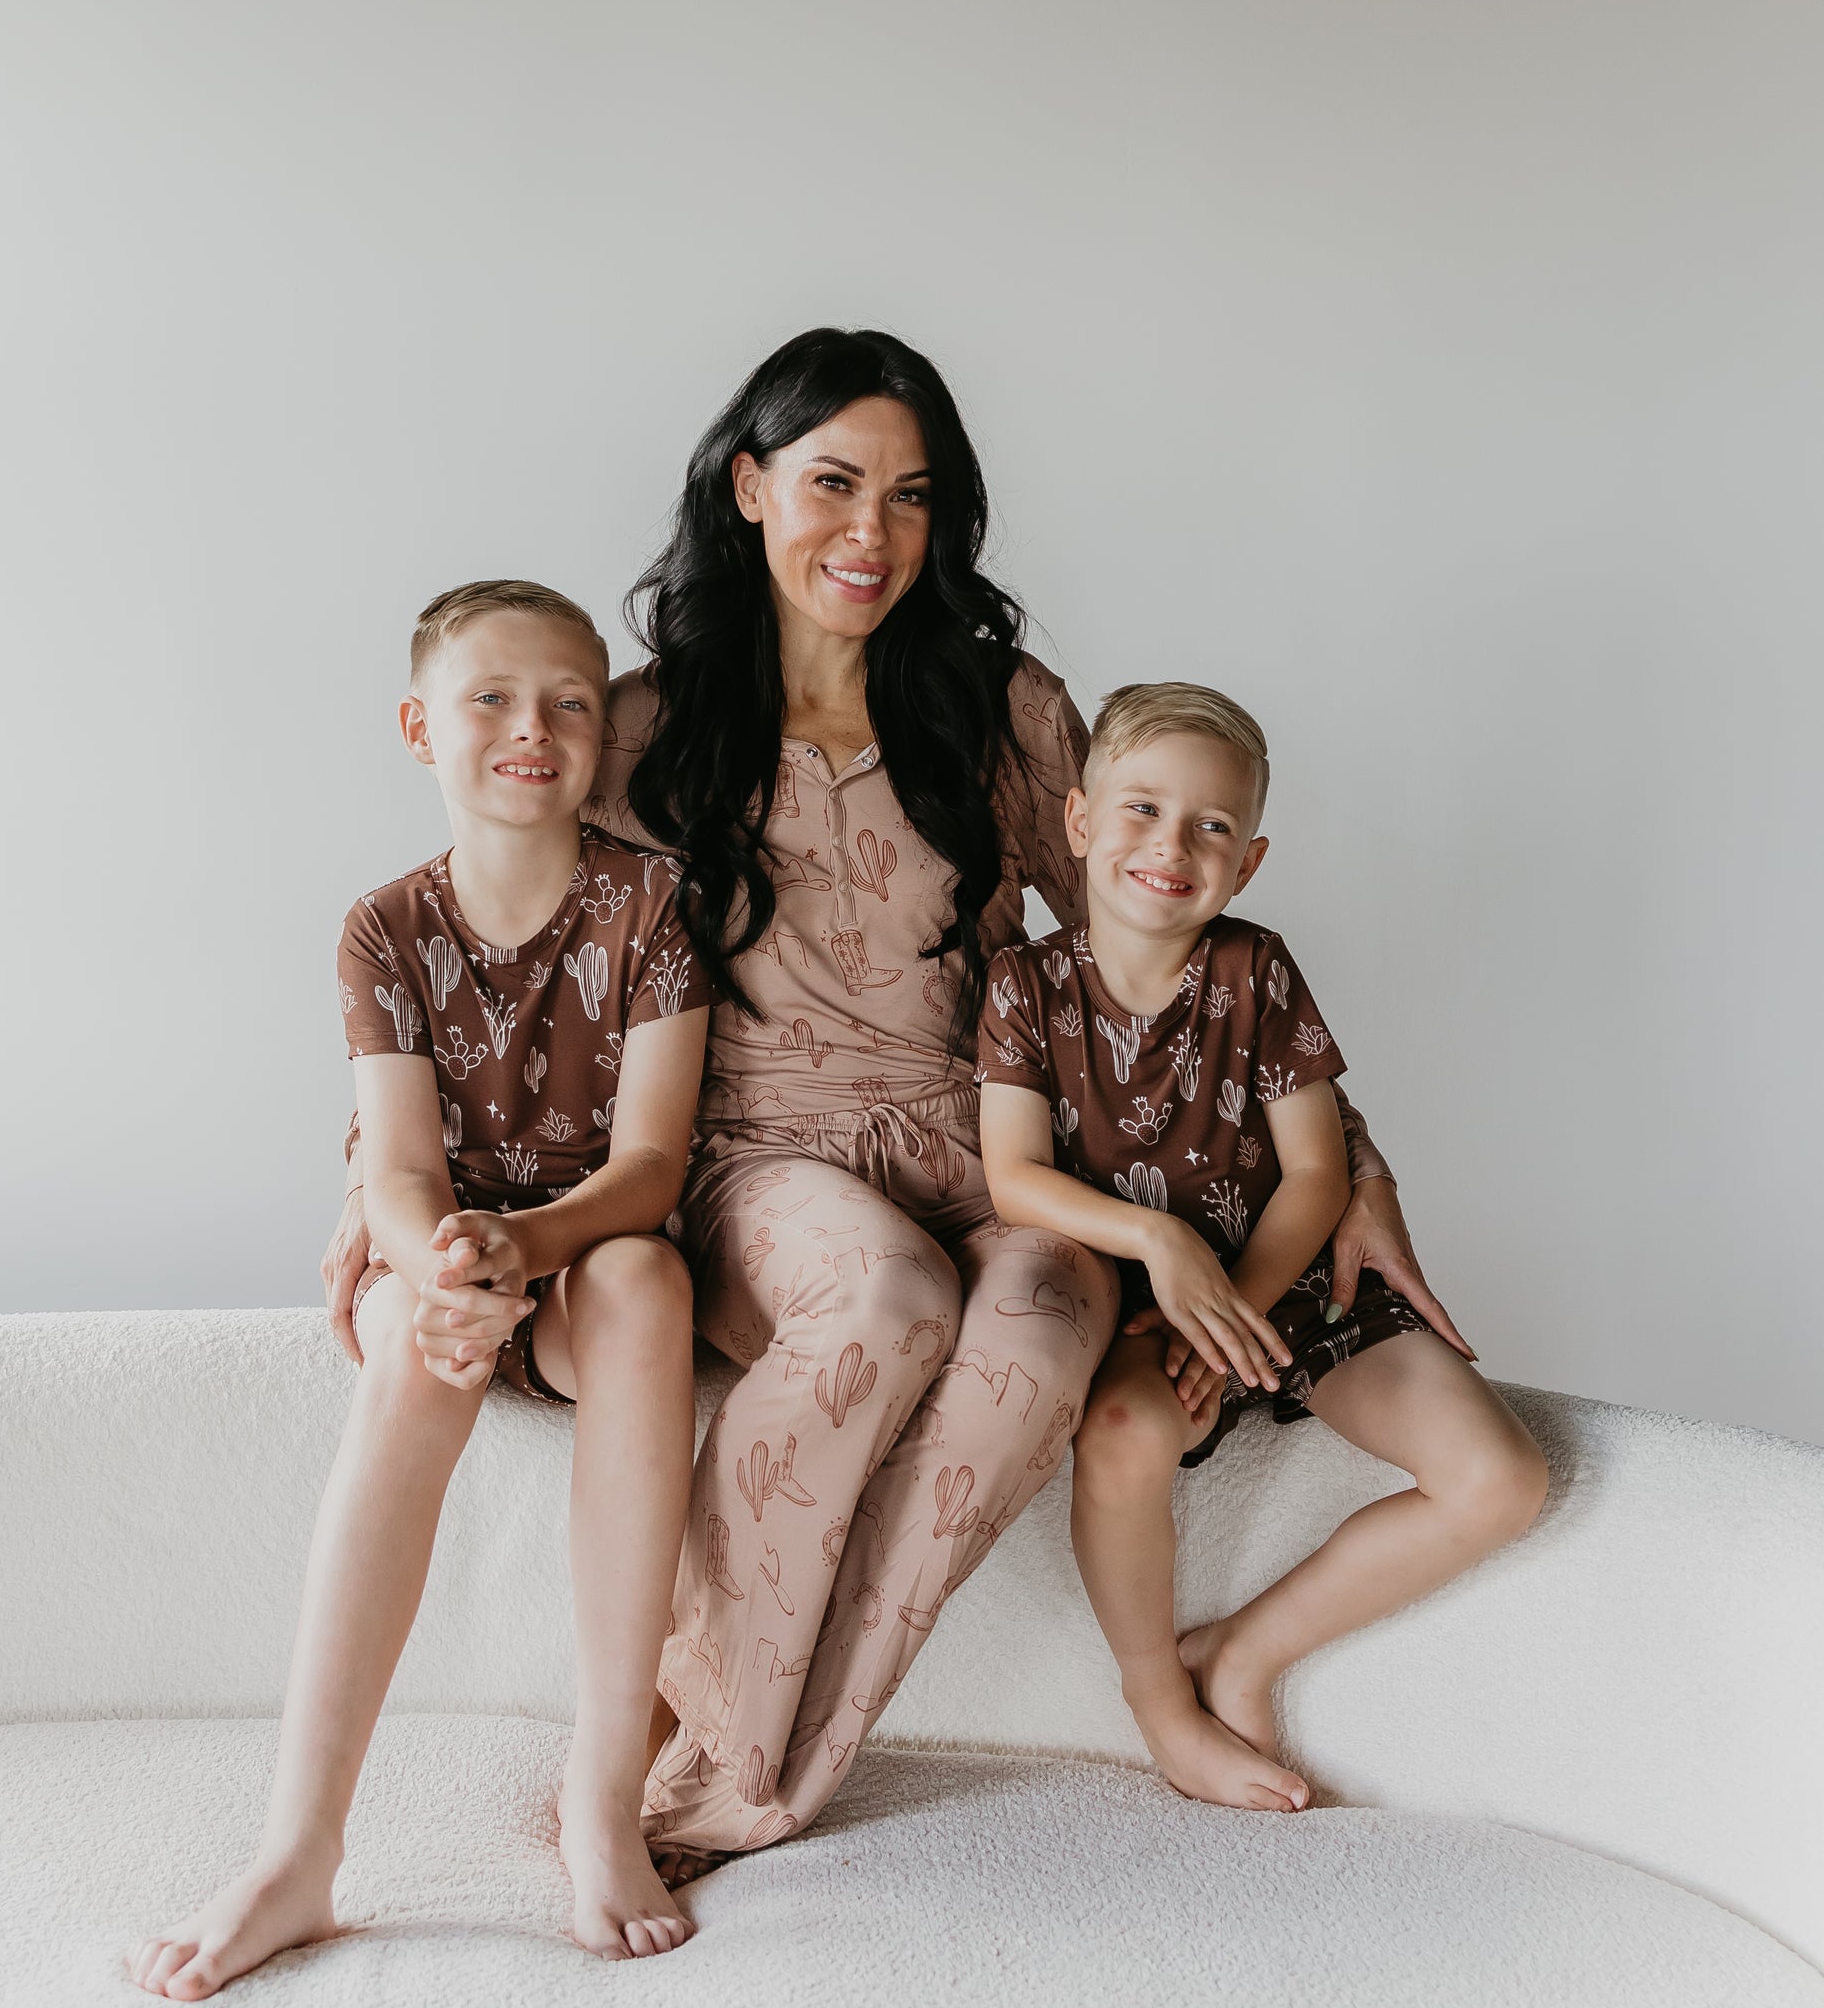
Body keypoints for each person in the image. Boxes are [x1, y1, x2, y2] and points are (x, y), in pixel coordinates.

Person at [322, 331, 1472, 1866]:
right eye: (832, 483)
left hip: (988, 1144)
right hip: (749, 1160)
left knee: (1042, 1332)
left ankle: (757, 1774)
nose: (869, 533)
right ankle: (689, 1722)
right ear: (748, 487)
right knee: (881, 1297)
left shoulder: (1005, 713)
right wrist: (368, 1174)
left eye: (911, 497)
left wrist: (1363, 1173)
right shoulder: (643, 725)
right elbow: (503, 941)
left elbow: (1168, 941)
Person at [129, 579, 709, 1995]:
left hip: (575, 1261)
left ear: (602, 736)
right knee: (406, 1343)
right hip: (446, 1261)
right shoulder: (383, 928)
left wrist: (533, 1242)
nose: (533, 727)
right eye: (492, 699)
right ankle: (299, 1845)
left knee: (643, 1279)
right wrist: (444, 1257)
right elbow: (394, 1164)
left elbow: (650, 1161)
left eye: (571, 701)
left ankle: (599, 1788)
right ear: (418, 726)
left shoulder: (652, 907)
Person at [977, 679, 1548, 1804]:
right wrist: (1161, 1247)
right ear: (1079, 824)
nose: (1170, 846)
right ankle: (1155, 1698)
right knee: (1127, 1433)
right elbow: (1013, 1178)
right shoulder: (1025, 986)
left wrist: (1237, 1300)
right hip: (1144, 1301)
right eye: (1139, 810)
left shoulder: (1255, 969)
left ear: (1247, 861)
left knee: (1500, 1478)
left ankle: (1242, 1650)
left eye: (1211, 827)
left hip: (1283, 1284)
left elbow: (1315, 1171)